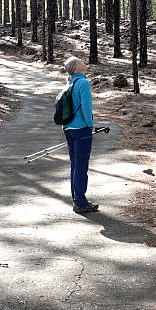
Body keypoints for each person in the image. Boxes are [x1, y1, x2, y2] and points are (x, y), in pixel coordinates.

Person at [62, 56, 98, 214]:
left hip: (68, 127)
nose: (84, 62)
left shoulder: (70, 82)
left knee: (75, 164)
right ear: (76, 67)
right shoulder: (83, 82)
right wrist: (90, 125)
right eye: (81, 61)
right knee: (81, 166)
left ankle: (77, 199)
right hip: (81, 128)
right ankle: (81, 202)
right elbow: (86, 107)